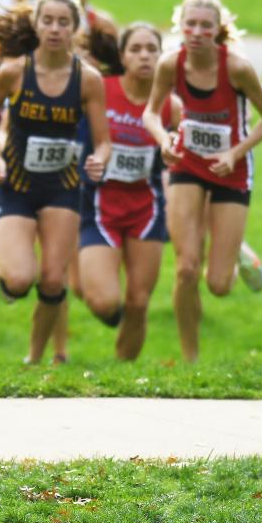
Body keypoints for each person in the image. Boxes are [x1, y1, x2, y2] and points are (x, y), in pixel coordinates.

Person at [0, 0, 110, 364]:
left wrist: (99, 159)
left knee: (53, 280)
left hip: (63, 187)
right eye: (47, 21)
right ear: (35, 25)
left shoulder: (88, 80)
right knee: (20, 280)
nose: (54, 29)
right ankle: (9, 280)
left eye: (63, 22)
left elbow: (103, 141)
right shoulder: (14, 71)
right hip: (16, 185)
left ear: (75, 29)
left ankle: (34, 359)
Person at [143, 0, 262, 362]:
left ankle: (234, 252)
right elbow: (151, 113)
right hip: (187, 163)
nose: (197, 31)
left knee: (217, 285)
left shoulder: (236, 67)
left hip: (230, 170)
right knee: (185, 269)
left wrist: (236, 152)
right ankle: (191, 359)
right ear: (180, 27)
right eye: (190, 24)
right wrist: (163, 137)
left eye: (205, 25)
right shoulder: (170, 64)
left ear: (218, 30)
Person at [75, 23, 181, 360]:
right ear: (122, 56)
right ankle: (80, 278)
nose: (145, 56)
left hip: (146, 207)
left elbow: (184, 157)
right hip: (99, 204)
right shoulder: (100, 89)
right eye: (136, 49)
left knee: (138, 300)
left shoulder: (170, 105)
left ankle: (125, 374)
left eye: (152, 49)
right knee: (104, 302)